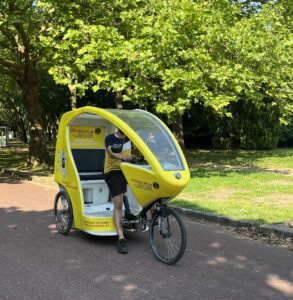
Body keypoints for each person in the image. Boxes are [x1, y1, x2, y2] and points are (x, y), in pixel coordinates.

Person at [104, 128, 135, 254]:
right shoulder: (110, 138)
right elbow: (111, 153)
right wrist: (122, 157)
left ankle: (154, 215)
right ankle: (121, 239)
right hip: (113, 171)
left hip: (128, 168)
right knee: (118, 203)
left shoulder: (130, 138)